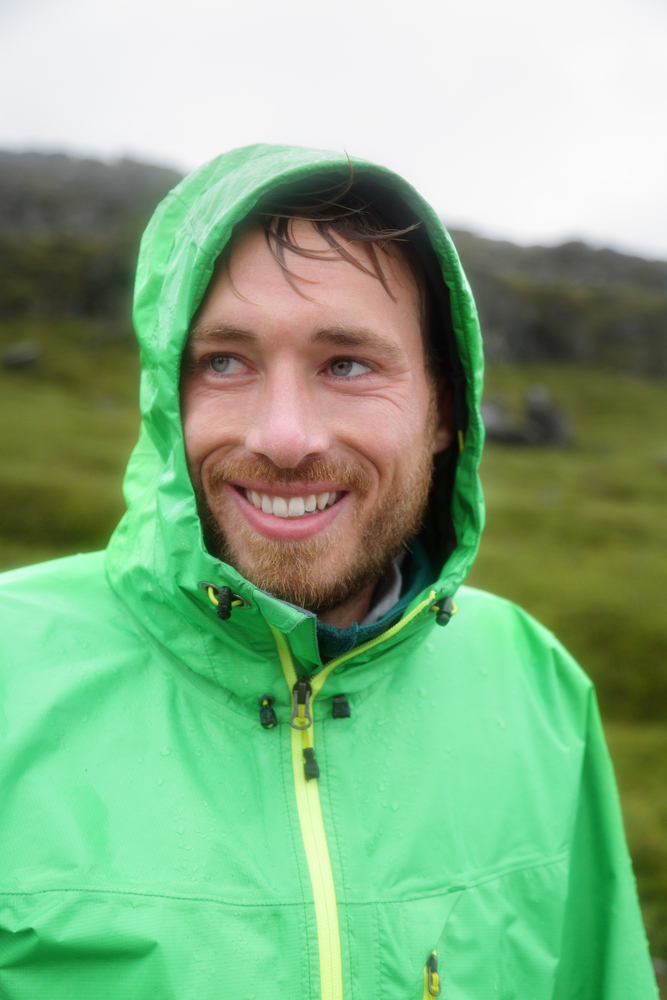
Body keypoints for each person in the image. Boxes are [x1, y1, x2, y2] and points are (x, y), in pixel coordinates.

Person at [0, 144, 657, 999]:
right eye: (223, 361)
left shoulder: (536, 688)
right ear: (167, 393)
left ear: (444, 411)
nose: (283, 436)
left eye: (347, 364)